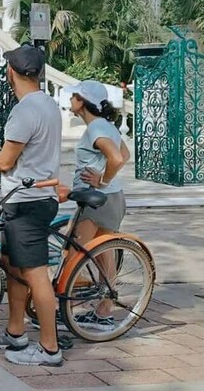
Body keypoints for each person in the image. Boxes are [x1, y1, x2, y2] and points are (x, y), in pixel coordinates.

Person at [0, 46, 64, 367]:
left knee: (35, 275)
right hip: (28, 198)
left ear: (10, 73)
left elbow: (7, 158)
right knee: (13, 267)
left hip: (28, 202)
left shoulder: (25, 111)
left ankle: (49, 349)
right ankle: (16, 332)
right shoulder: (49, 105)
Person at [66, 80, 130, 331]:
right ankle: (104, 313)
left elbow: (116, 158)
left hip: (96, 201)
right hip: (113, 199)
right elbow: (125, 155)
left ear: (82, 101)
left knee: (73, 255)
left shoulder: (96, 128)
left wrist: (102, 180)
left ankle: (64, 308)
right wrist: (107, 180)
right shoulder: (105, 125)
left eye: (74, 96)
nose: (71, 99)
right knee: (106, 255)